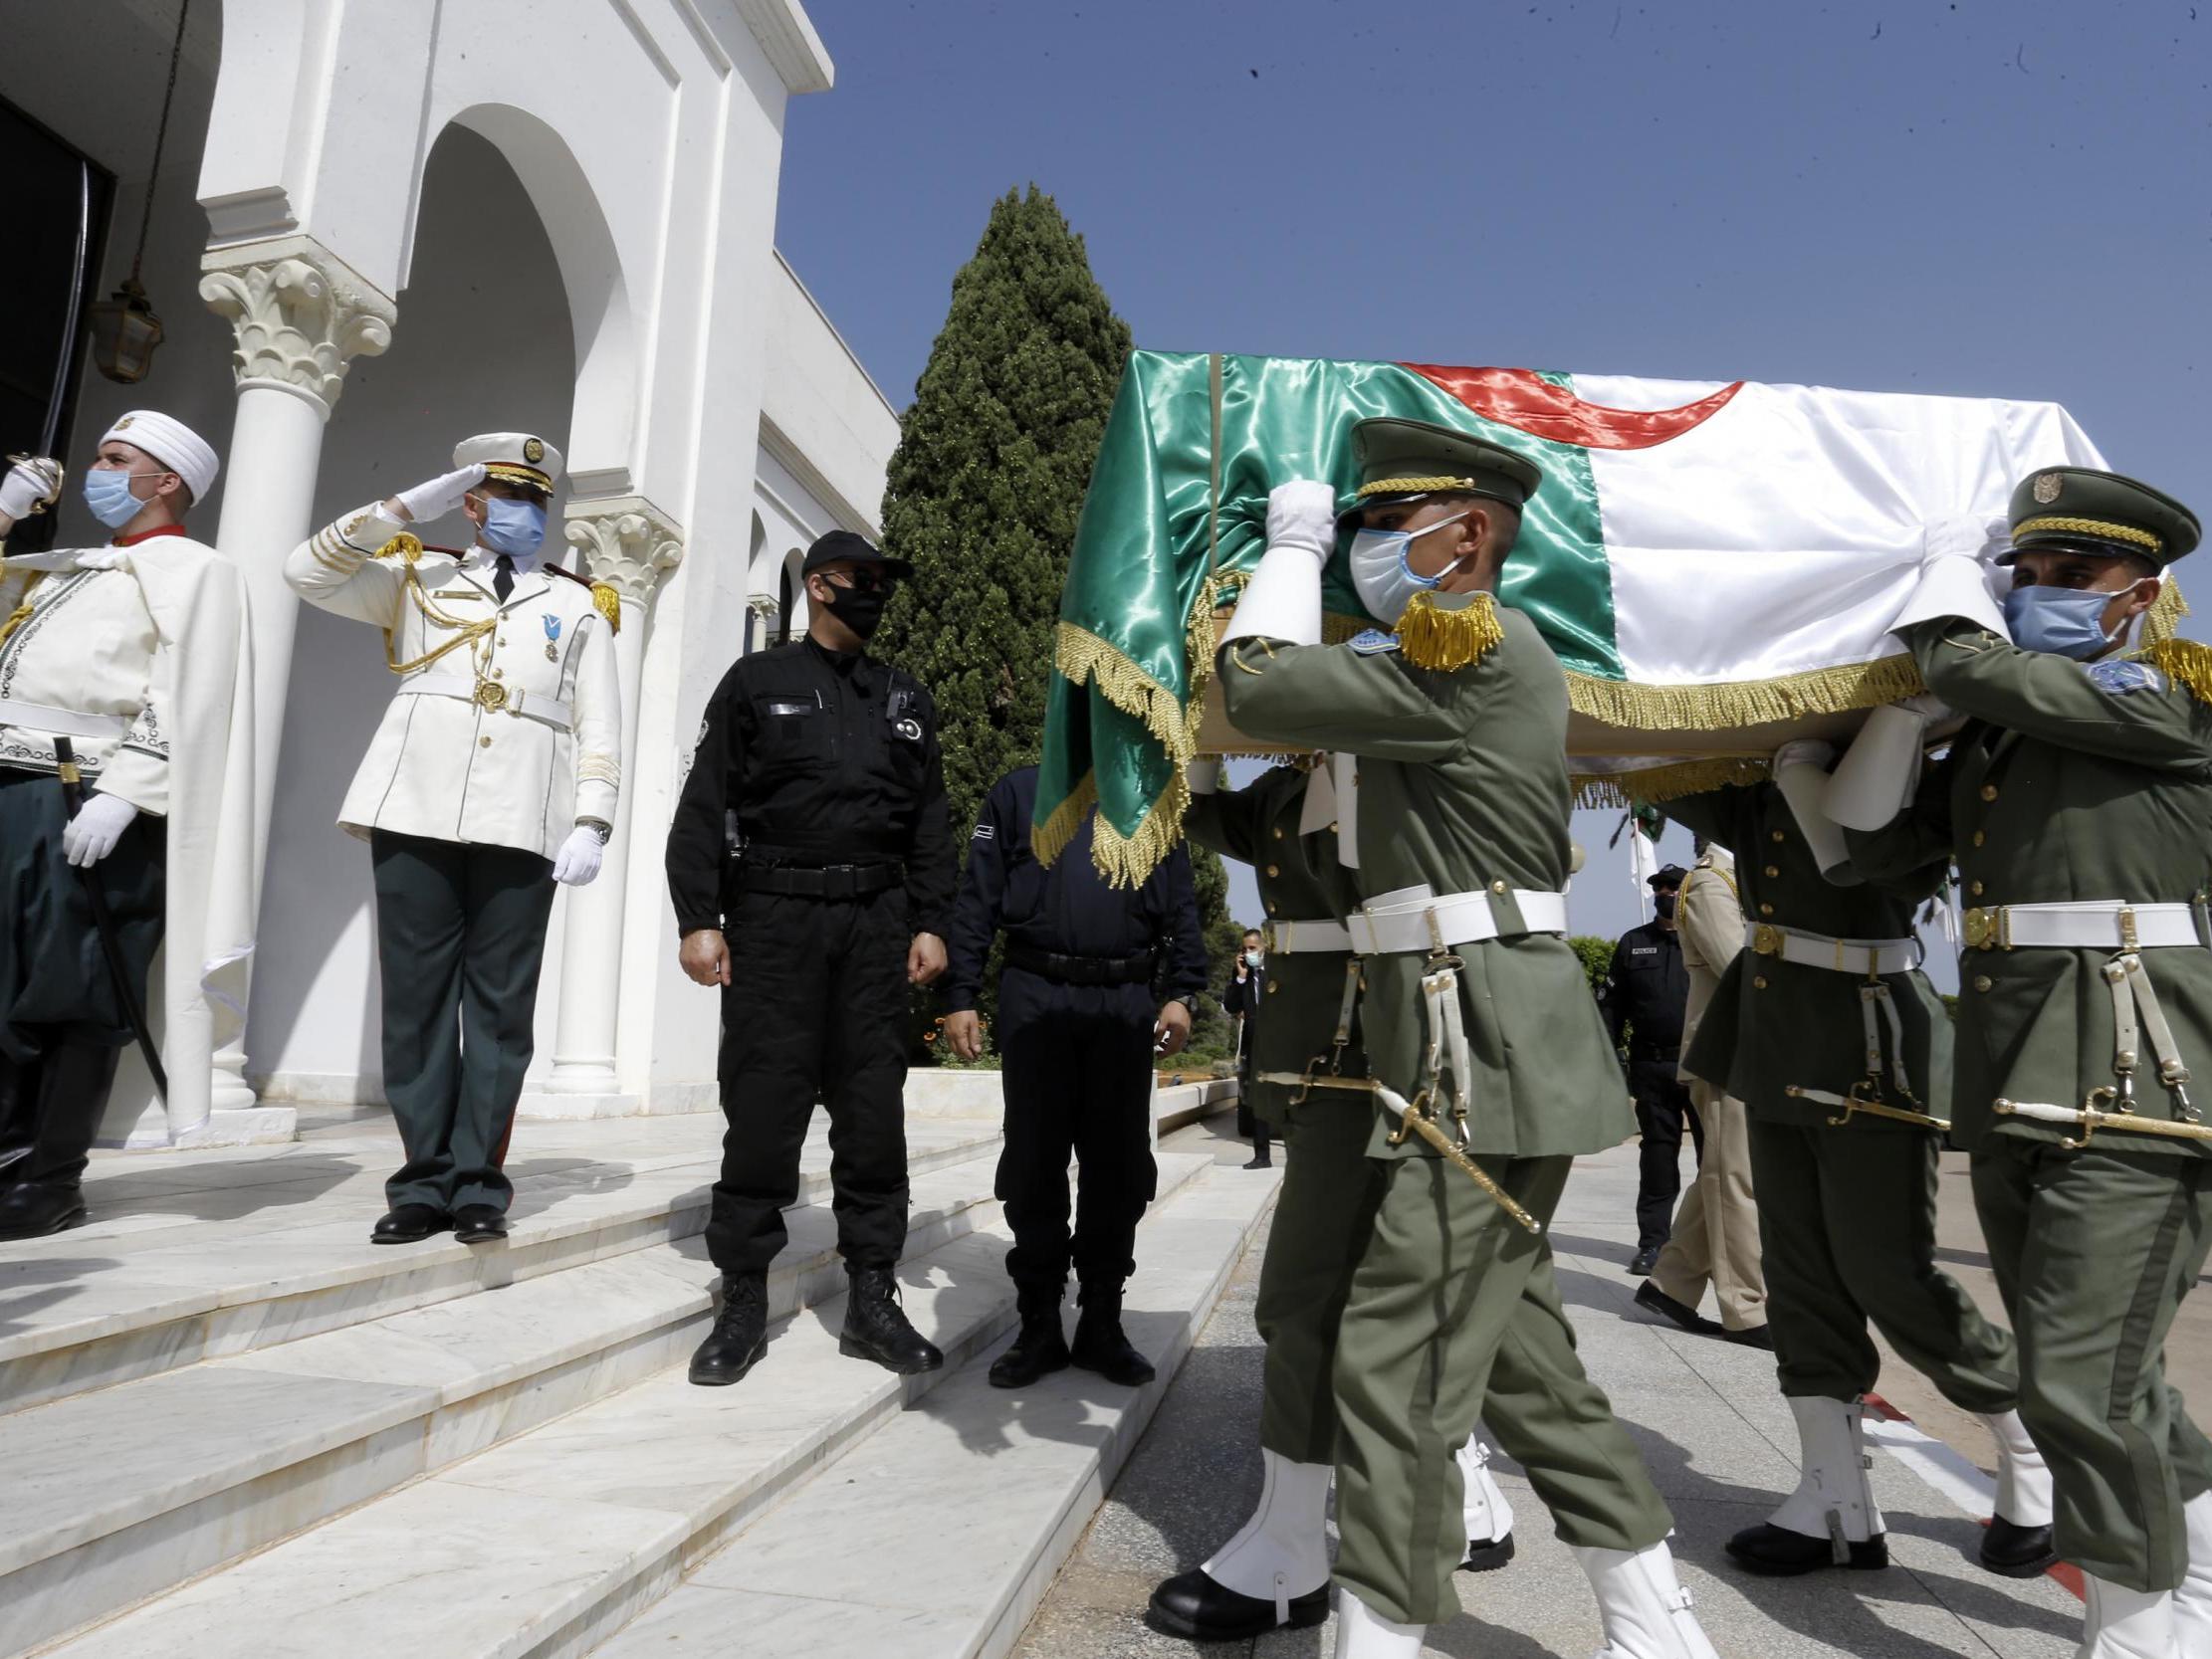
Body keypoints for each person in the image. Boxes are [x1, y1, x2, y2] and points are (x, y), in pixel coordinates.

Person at [1195, 417, 1714, 1658]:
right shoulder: (1434, 658)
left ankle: (1378, 1629)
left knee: (1394, 1354)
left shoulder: (1468, 648)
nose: (1366, 549)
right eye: (1361, 524)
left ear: (1465, 533)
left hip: (1471, 1038)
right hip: (1443, 1033)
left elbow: (1252, 683)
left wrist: (1287, 545)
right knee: (1518, 1353)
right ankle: (1655, 1618)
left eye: (1384, 524)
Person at [1848, 469, 2212, 1653]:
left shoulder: (2173, 694)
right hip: (2011, 1074)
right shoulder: (2006, 734)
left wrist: (1942, 610)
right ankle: (2195, 1554)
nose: (2041, 590)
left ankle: (2145, 1626)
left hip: (2133, 1076)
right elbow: (1870, 859)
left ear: (2140, 595)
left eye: (2074, 574)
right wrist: (1881, 733)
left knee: (2074, 1381)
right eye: (2025, 571)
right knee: (2102, 1368)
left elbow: (1962, 659)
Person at [1150, 755, 1520, 1646]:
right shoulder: (1285, 789)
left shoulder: (1392, 765)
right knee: (1305, 1303)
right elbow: (1197, 812)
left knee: (1409, 1300)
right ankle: (1293, 1540)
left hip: (1394, 1060)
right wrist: (1197, 721)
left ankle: (1450, 1481)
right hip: (1323, 1066)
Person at [1661, 770, 2049, 1581]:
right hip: (1774, 1032)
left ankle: (2032, 1452)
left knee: (1888, 1271)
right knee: (1800, 1277)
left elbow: (1872, 863)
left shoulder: (1911, 777)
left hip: (1869, 1037)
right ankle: (1832, 1496)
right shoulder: (1756, 778)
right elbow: (1670, 768)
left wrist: (1832, 757)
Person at [287, 434, 620, 1247]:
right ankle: (420, 1181)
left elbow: (599, 720)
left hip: (525, 819)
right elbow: (305, 571)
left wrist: (593, 818)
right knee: (416, 1002)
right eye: (509, 498)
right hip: (414, 806)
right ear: (470, 503)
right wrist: (405, 508)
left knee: (501, 1009)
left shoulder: (576, 603)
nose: (527, 514)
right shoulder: (416, 572)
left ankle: (479, 1182)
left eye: (537, 501)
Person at [666, 528, 956, 1388]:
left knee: (873, 1111)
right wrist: (698, 916)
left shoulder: (904, 694)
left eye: (880, 579)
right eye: (859, 579)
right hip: (775, 914)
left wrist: (931, 920)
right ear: (820, 585)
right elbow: (704, 803)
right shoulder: (758, 682)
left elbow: (930, 821)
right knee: (764, 1102)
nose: (874, 591)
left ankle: (872, 1293)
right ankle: (744, 1297)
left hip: (874, 920)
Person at [0, 414, 248, 1238]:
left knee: (77, 989)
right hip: (11, 783)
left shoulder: (196, 569)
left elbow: (191, 689)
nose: (96, 472)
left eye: (116, 460)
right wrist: (3, 518)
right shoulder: (66, 568)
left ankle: (50, 1177)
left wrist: (130, 789)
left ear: (166, 480)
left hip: (88, 799)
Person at [941, 763, 1208, 1390]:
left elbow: (1181, 904)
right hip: (1035, 992)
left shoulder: (1150, 799)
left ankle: (1102, 1321)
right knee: (1033, 1164)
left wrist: (1183, 993)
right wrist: (960, 994)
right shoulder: (1018, 792)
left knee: (1118, 1168)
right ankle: (1038, 1324)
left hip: (1124, 1000)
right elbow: (977, 896)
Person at [1639, 840, 1769, 1345]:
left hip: (1747, 1049)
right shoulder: (1714, 881)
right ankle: (1746, 1308)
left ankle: (1671, 1284)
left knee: (1723, 1173)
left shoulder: (1746, 875)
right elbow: (1741, 971)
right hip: (1726, 1050)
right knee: (1736, 1180)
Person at [1599, 865, 1703, 1274]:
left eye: (1674, 887)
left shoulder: (1708, 940)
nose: (1665, 893)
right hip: (1652, 1065)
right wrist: (1609, 1061)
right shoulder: (1634, 942)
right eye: (1659, 887)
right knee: (1658, 1158)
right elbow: (1611, 1008)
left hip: (1701, 1066)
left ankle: (1713, 1245)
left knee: (1715, 1161)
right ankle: (1653, 1245)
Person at [1221, 927, 1272, 1167]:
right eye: (1244, 949)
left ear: (1263, 948)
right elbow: (1231, 1005)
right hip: (1252, 1042)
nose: (1248, 953)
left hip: (1277, 1039)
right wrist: (1240, 978)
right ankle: (1262, 1156)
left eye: (1252, 948)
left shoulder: (1275, 971)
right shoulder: (1242, 975)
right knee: (1257, 1097)